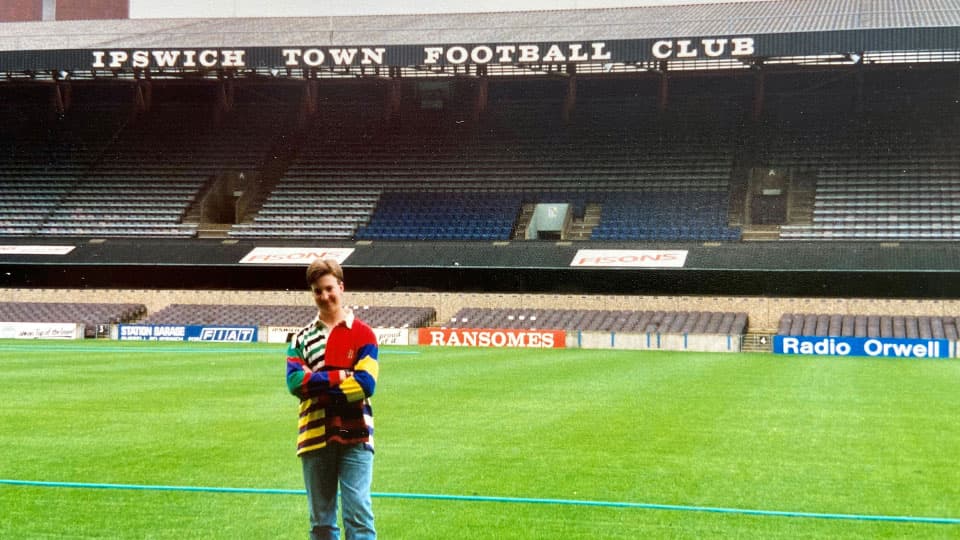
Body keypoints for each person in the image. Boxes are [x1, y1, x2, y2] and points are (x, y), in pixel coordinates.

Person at [286, 258, 379, 540]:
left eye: (328, 288)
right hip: (314, 433)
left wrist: (317, 381)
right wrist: (340, 377)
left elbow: (365, 384)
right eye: (317, 291)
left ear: (341, 286)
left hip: (355, 432)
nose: (324, 296)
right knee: (321, 523)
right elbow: (294, 383)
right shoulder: (300, 338)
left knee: (358, 515)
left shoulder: (365, 334)